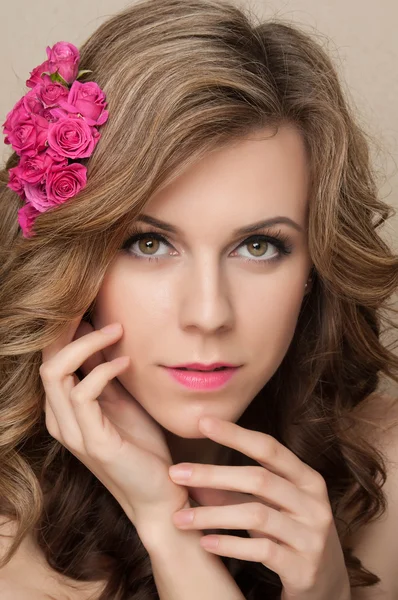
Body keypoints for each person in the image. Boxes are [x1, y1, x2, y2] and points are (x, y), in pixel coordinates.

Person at [0, 0, 397, 598]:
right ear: (74, 259)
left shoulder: (387, 471)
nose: (208, 314)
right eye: (150, 243)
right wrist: (165, 522)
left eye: (259, 246)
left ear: (316, 264)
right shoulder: (9, 536)